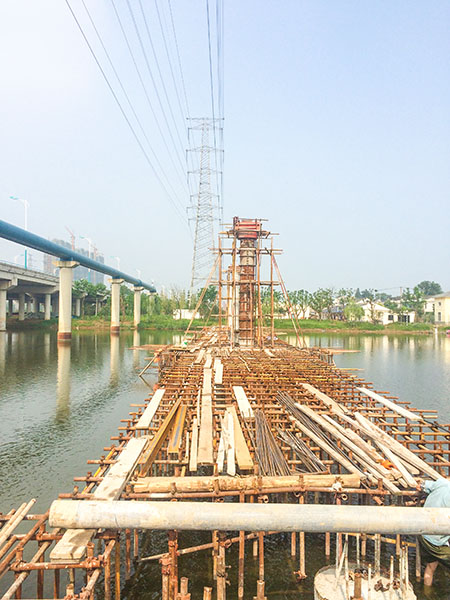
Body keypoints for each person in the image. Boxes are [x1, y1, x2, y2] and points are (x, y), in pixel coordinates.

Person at [417, 478, 450, 586]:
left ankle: (427, 590)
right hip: (436, 542)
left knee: (431, 566)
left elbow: (421, 485)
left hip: (422, 532)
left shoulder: (442, 482)